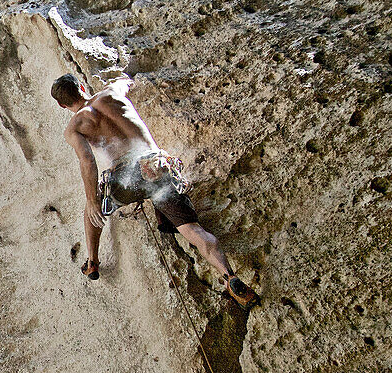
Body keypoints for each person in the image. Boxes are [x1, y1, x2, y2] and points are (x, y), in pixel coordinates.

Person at [52, 73, 259, 309]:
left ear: (62, 104)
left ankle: (92, 262)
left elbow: (87, 162)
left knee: (92, 214)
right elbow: (126, 80)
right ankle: (229, 276)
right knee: (192, 229)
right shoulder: (112, 92)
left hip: (124, 178)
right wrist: (124, 79)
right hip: (154, 166)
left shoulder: (75, 126)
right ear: (80, 86)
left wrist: (92, 201)